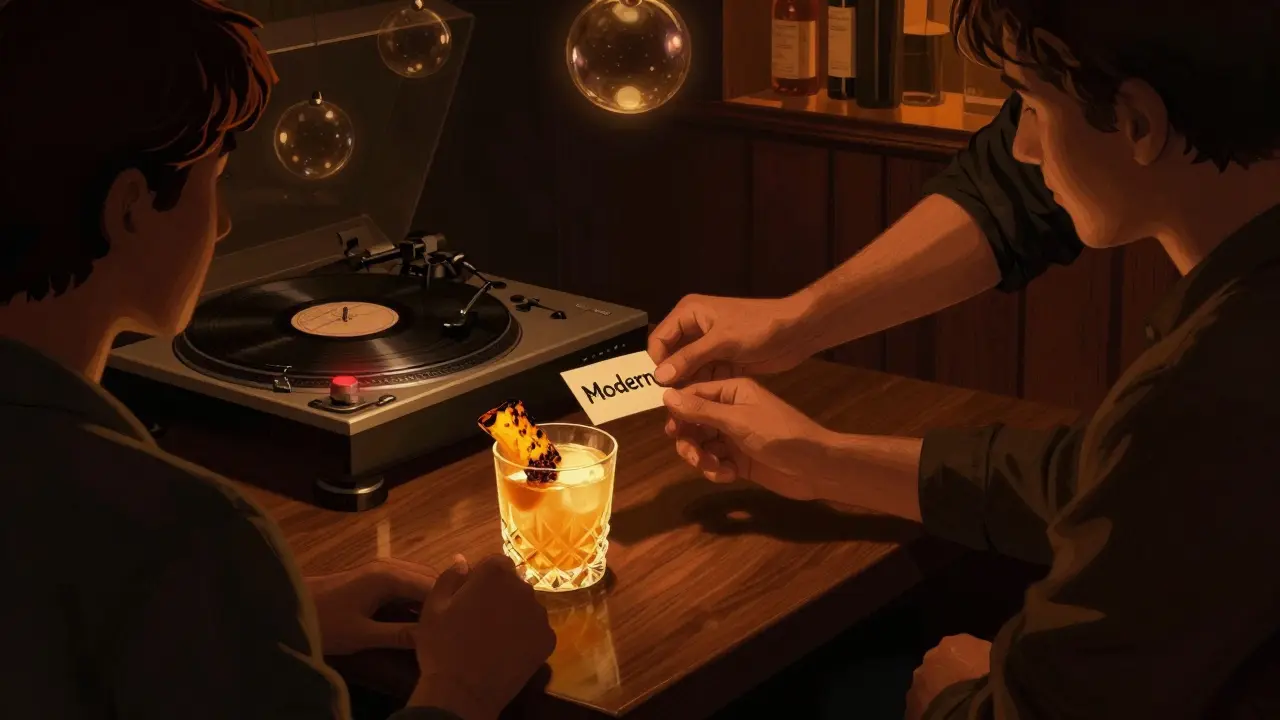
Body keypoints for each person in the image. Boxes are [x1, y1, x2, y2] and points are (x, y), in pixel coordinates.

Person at [653, 0, 1280, 718]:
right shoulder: (1223, 344)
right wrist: (818, 456)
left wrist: (957, 695)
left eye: (1029, 106)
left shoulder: (1204, 391)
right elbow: (1095, 479)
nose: (1022, 148)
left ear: (1137, 122)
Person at [0, 2, 554, 719]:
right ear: (131, 209)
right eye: (216, 178)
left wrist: (261, 611)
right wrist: (462, 687)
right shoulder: (193, 532)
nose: (225, 222)